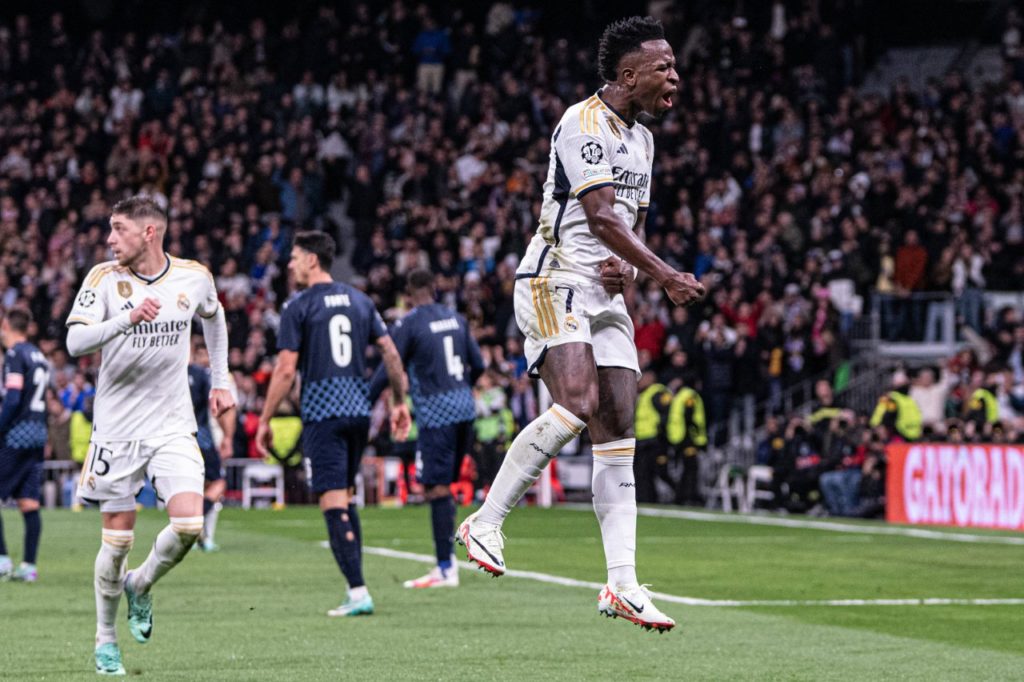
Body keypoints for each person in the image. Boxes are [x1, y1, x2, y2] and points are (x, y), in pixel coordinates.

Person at [455, 16, 704, 633]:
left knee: (619, 428)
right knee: (577, 401)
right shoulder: (581, 122)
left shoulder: (643, 141)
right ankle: (485, 520)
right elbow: (599, 217)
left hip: (605, 292)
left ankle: (622, 585)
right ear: (628, 75)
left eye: (674, 65)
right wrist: (667, 274)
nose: (674, 74)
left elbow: (628, 229)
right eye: (663, 67)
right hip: (554, 278)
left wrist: (634, 271)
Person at [66, 196, 235, 675]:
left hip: (172, 425)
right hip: (116, 431)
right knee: (115, 544)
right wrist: (126, 318)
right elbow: (74, 341)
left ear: (148, 233)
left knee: (189, 526)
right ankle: (104, 639)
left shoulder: (193, 276)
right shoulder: (103, 279)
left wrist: (220, 380)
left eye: (118, 229)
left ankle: (141, 585)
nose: (109, 238)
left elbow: (215, 317)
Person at [257, 231, 410, 618]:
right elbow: (390, 353)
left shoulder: (298, 305)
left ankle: (358, 591)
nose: (289, 265)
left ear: (312, 260)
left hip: (322, 413)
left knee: (331, 502)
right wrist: (398, 401)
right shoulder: (360, 300)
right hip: (358, 411)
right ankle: (354, 587)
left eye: (293, 258)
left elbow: (287, 368)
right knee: (345, 497)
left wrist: (265, 417)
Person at [370, 268, 484, 589]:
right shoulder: (457, 319)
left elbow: (389, 365)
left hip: (436, 415)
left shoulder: (409, 323)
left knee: (435, 488)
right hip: (465, 411)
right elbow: (479, 365)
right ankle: (448, 561)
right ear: (434, 289)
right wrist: (461, 390)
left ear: (408, 294)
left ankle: (445, 568)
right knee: (445, 486)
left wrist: (365, 397)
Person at [0, 309, 50, 583]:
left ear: (5, 325)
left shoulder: (14, 354)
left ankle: (3, 561)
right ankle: (28, 567)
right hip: (38, 434)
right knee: (29, 503)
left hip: (17, 434)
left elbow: (13, 397)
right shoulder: (39, 356)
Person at [188, 343, 237, 552]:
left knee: (194, 487)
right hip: (206, 438)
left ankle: (200, 536)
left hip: (178, 438)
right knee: (217, 484)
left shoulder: (171, 372)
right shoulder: (206, 376)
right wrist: (228, 437)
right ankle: (195, 527)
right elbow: (223, 407)